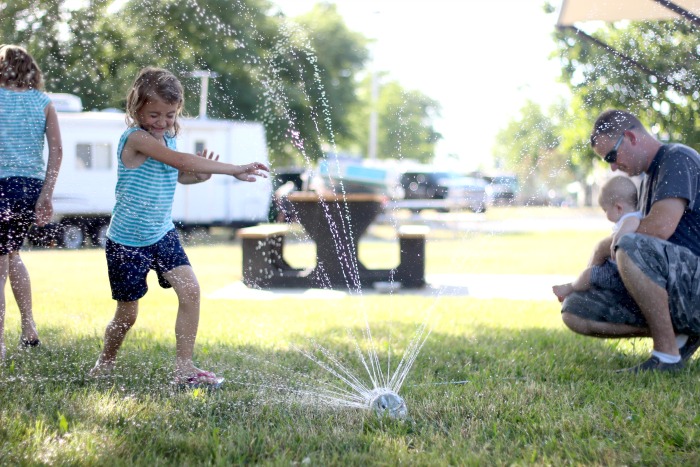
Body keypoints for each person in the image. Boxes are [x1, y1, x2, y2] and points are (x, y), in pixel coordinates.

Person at [89, 67, 269, 388]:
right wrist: (234, 168)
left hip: (161, 233)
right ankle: (106, 361)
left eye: (169, 115)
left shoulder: (168, 138)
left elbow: (180, 173)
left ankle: (183, 368)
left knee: (191, 291)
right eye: (154, 114)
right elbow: (182, 162)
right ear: (136, 108)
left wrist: (201, 175)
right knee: (127, 316)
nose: (161, 122)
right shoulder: (136, 138)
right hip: (127, 241)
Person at [561, 109, 700, 372]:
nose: (613, 167)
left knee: (629, 244)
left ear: (630, 137)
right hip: (678, 290)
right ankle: (679, 335)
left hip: (695, 285)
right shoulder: (647, 180)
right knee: (575, 308)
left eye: (612, 156)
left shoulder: (677, 158)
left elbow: (658, 229)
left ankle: (667, 356)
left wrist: (607, 245)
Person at [0, 44, 63, 360]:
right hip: (28, 187)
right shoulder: (43, 102)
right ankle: (28, 326)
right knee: (11, 253)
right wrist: (46, 194)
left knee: (1, 262)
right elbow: (57, 151)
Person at [553, 176, 642, 301]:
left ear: (618, 208)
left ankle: (571, 288)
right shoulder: (628, 217)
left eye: (605, 210)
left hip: (618, 274)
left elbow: (633, 222)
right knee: (592, 273)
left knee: (588, 275)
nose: (605, 214)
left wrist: (618, 236)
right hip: (616, 269)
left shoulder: (631, 218)